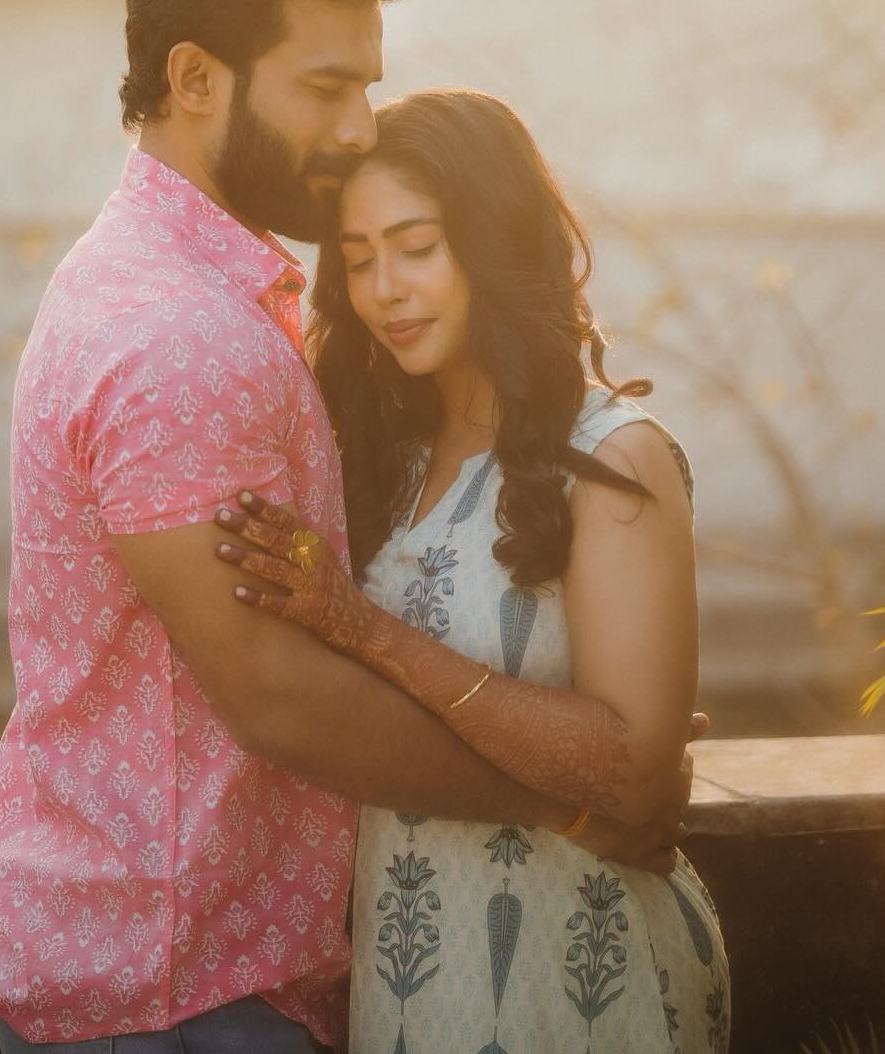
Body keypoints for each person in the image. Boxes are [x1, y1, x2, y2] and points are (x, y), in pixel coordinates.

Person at [0, 0, 697, 1054]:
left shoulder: (206, 295)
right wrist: (577, 796)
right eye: (326, 86)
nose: (359, 126)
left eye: (369, 83)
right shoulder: (176, 335)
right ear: (195, 79)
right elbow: (275, 690)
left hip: (222, 978)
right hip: (178, 992)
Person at [213, 88, 730, 1053]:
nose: (384, 290)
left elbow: (631, 766)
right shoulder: (377, 455)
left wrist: (366, 631)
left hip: (581, 956)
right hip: (410, 965)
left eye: (416, 247)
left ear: (494, 241)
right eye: (359, 260)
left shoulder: (615, 457)